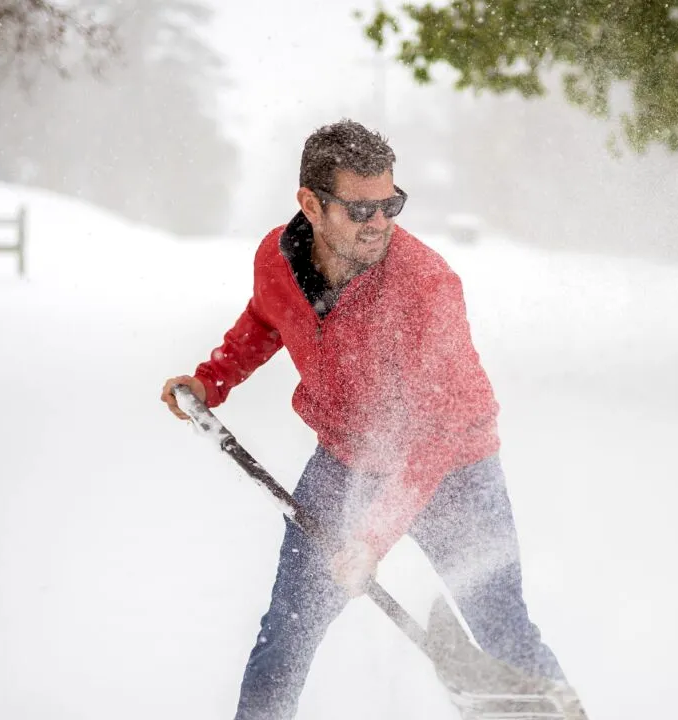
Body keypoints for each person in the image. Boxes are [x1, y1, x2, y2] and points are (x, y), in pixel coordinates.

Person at [160, 119, 586, 720]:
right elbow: (266, 317)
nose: (380, 222)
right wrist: (213, 379)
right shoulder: (277, 258)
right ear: (311, 204)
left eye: (391, 204)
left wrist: (370, 538)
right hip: (345, 458)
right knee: (286, 634)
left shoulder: (427, 285)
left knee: (503, 632)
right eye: (361, 209)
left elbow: (431, 436)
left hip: (454, 470)